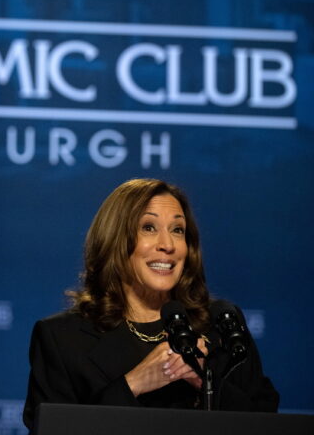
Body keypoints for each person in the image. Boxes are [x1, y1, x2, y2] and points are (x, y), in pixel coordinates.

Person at [22, 178, 278, 431]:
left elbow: (267, 422)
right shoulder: (62, 338)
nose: (167, 245)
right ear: (115, 240)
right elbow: (54, 428)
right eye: (148, 227)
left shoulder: (221, 324)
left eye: (178, 230)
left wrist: (205, 380)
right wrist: (133, 384)